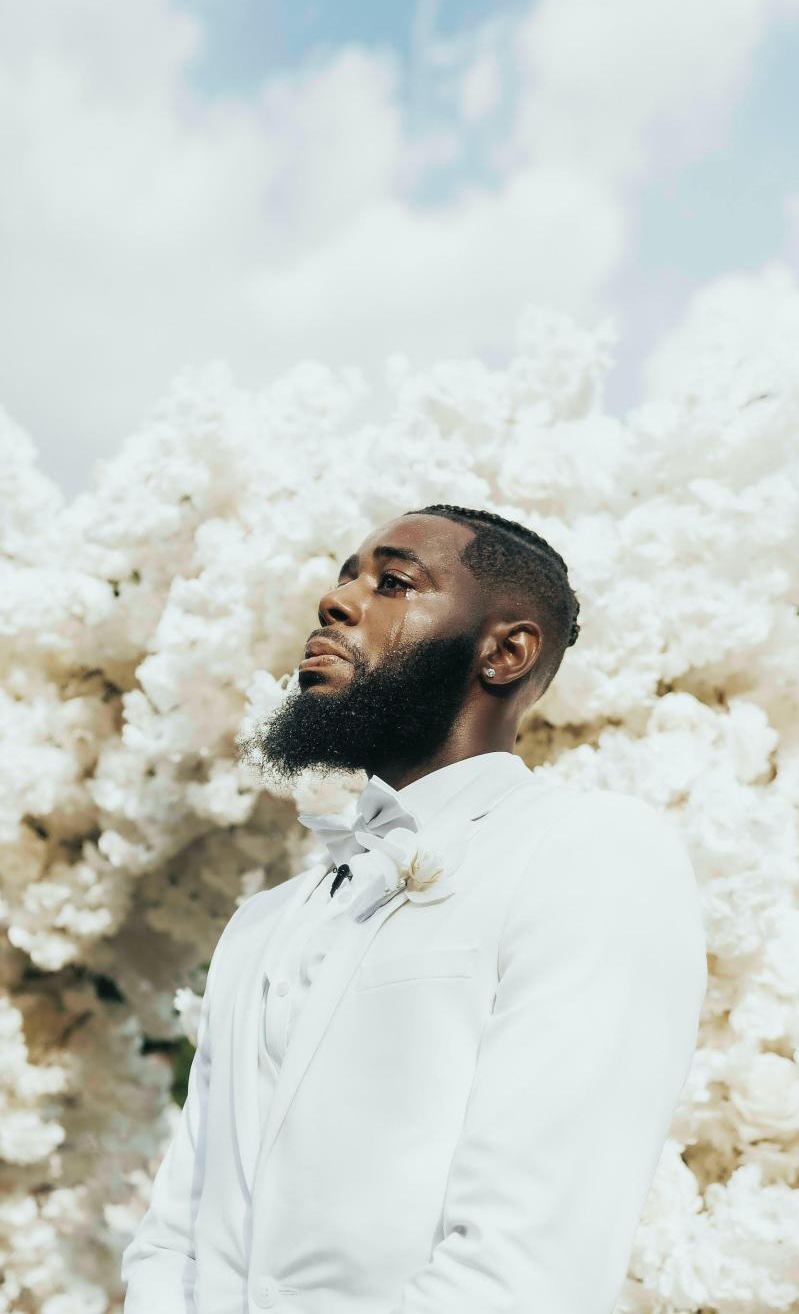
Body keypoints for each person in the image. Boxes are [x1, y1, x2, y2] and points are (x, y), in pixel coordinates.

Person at [120, 503, 708, 1314]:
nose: (337, 602)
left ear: (505, 653)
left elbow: (528, 1266)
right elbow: (176, 1234)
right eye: (345, 577)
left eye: (394, 582)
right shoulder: (261, 924)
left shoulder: (587, 854)